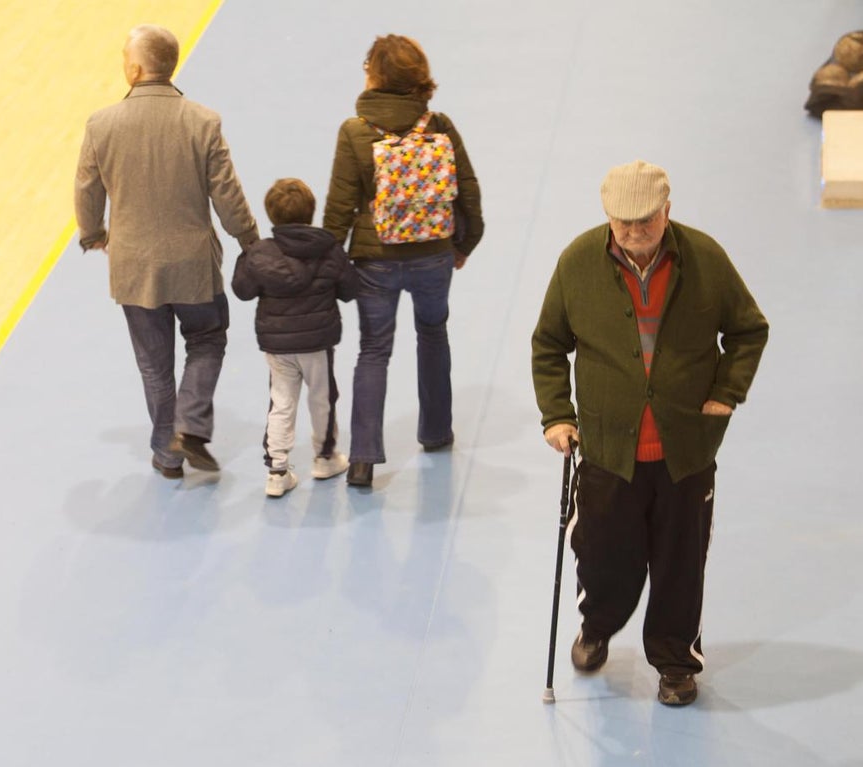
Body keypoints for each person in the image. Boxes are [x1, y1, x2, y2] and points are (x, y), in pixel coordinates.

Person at [531, 160, 768, 706]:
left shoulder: (705, 258)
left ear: (667, 210)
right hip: (607, 451)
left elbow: (748, 330)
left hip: (685, 452)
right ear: (607, 216)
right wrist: (557, 414)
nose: (636, 232)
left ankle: (675, 661)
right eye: (624, 222)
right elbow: (549, 344)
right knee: (601, 554)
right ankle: (597, 625)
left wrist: (727, 392)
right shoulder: (577, 262)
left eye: (646, 220)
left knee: (680, 565)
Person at [75, 24, 259, 479]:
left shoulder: (102, 124)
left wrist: (94, 234)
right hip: (194, 267)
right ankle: (191, 424)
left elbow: (86, 190)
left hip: (134, 270)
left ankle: (167, 453)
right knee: (208, 340)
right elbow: (227, 194)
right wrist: (249, 241)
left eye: (125, 57)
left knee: (154, 366)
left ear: (137, 69)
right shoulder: (203, 121)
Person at [323, 34, 484, 488]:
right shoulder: (439, 126)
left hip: (375, 260)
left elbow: (339, 206)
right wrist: (463, 245)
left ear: (374, 76)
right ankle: (435, 431)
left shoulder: (356, 131)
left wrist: (331, 264)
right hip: (434, 253)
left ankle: (363, 458)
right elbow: (468, 192)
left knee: (373, 350)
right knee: (433, 333)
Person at [231, 179, 360, 497]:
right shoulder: (329, 249)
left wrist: (245, 258)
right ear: (311, 211)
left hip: (278, 345)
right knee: (322, 398)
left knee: (281, 402)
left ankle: (277, 470)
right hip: (318, 343)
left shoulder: (260, 253)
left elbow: (242, 290)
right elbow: (350, 289)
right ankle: (325, 457)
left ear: (271, 214)